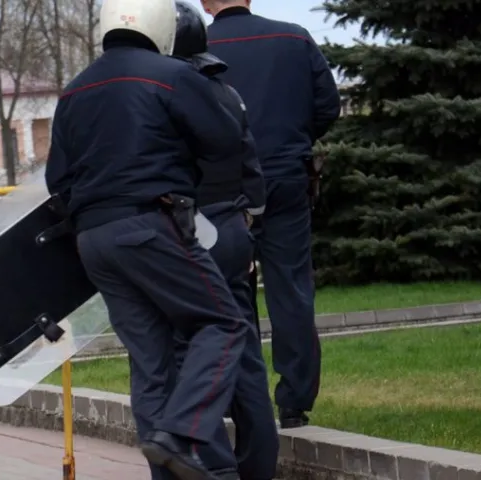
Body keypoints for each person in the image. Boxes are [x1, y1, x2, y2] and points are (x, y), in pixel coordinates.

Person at [45, 0, 251, 478]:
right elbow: (224, 139)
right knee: (223, 324)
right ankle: (183, 432)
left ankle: (169, 461)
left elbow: (59, 179)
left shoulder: (73, 91)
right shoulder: (172, 75)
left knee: (150, 360)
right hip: (151, 224)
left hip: (95, 241)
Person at [201, 0, 342, 428]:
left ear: (206, 3)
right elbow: (327, 108)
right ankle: (295, 402)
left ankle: (237, 397)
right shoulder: (294, 37)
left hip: (223, 187)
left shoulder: (192, 51)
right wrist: (291, 140)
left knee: (226, 289)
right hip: (285, 176)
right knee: (291, 286)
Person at [170, 3, 278, 479]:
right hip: (233, 231)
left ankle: (209, 466)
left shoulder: (161, 97)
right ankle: (259, 465)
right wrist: (245, 226)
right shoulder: (228, 94)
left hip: (186, 237)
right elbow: (253, 177)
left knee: (189, 360)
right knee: (245, 354)